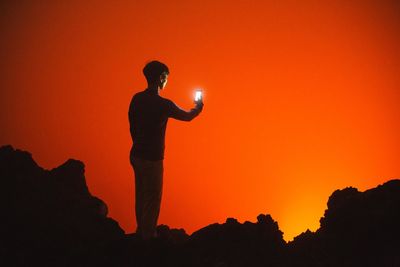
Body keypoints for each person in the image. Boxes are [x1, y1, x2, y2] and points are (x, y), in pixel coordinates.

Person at [128, 60, 204, 240]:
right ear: (162, 78)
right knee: (153, 197)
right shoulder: (164, 104)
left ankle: (141, 230)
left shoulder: (136, 99)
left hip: (137, 154)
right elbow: (187, 116)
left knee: (140, 194)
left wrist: (139, 143)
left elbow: (131, 126)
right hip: (153, 157)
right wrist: (198, 107)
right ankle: (148, 235)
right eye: (166, 78)